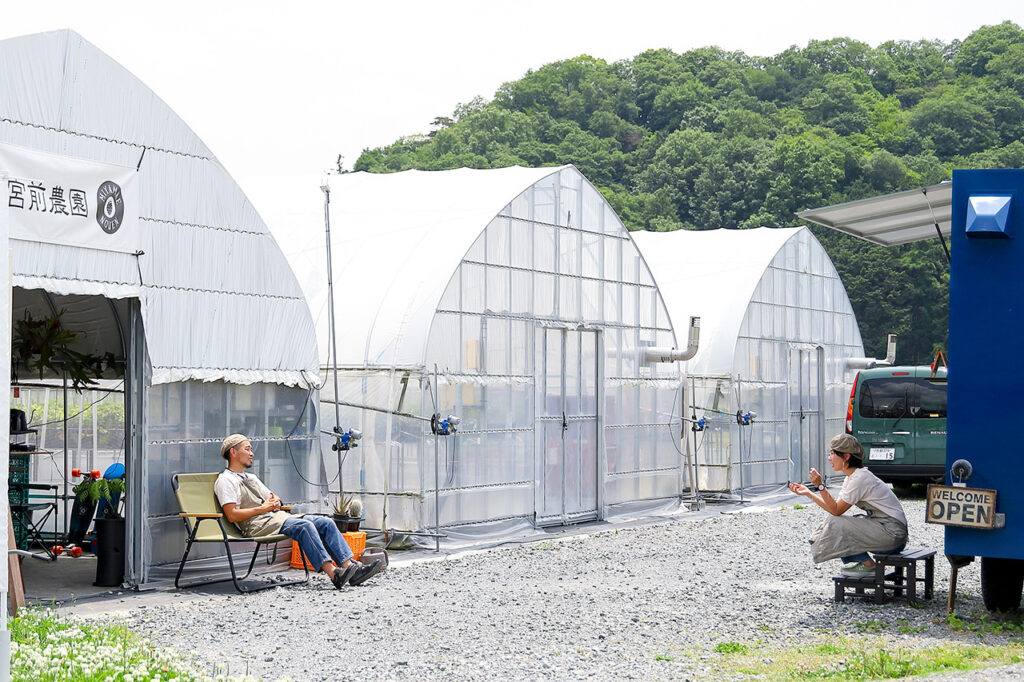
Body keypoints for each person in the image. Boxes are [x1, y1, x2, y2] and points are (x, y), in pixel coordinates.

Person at [214, 433, 383, 589]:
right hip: (255, 524)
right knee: (304, 526)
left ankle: (350, 568)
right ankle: (334, 573)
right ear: (233, 452)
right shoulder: (225, 480)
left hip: (273, 517)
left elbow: (275, 498)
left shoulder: (251, 478)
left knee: (325, 522)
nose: (252, 453)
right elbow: (231, 515)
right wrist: (264, 507)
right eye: (247, 449)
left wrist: (274, 502)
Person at [788, 433, 908, 577]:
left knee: (837, 524)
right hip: (885, 530)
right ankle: (864, 564)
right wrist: (809, 493)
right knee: (835, 522)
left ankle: (869, 566)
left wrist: (820, 486)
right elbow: (834, 508)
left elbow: (836, 512)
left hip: (893, 534)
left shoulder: (859, 479)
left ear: (846, 457)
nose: (829, 458)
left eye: (833, 453)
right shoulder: (853, 477)